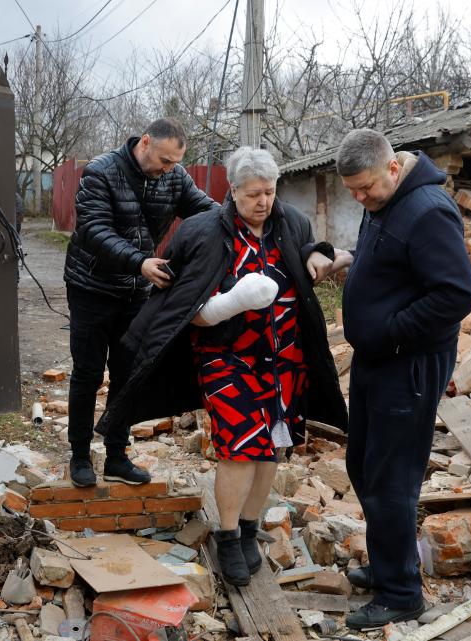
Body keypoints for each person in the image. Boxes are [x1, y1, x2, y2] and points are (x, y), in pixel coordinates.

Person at [96, 147, 347, 585]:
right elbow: (181, 307)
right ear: (231, 191)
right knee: (240, 447)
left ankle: (250, 531)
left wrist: (320, 253)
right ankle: (228, 536)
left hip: (284, 357)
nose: (263, 202)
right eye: (253, 194)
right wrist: (232, 303)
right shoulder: (200, 232)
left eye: (270, 192)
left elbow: (307, 254)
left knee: (272, 446)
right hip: (225, 357)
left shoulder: (291, 222)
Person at [334, 129, 471, 627]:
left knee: (392, 479)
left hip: (408, 363)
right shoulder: (385, 204)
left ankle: (401, 594)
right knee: (364, 465)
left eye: (366, 187)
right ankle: (388, 564)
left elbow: (457, 294)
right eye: (351, 190)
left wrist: (393, 332)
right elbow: (400, 269)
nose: (360, 198)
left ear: (393, 168)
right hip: (379, 359)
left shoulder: (428, 211)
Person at [63, 118, 218, 487]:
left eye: (174, 162)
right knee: (87, 374)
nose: (168, 169)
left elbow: (208, 211)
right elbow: (94, 230)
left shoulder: (174, 177)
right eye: (164, 160)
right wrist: (139, 262)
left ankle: (116, 456)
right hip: (91, 288)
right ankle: (79, 456)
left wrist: (246, 213)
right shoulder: (99, 172)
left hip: (136, 294)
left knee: (127, 375)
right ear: (145, 142)